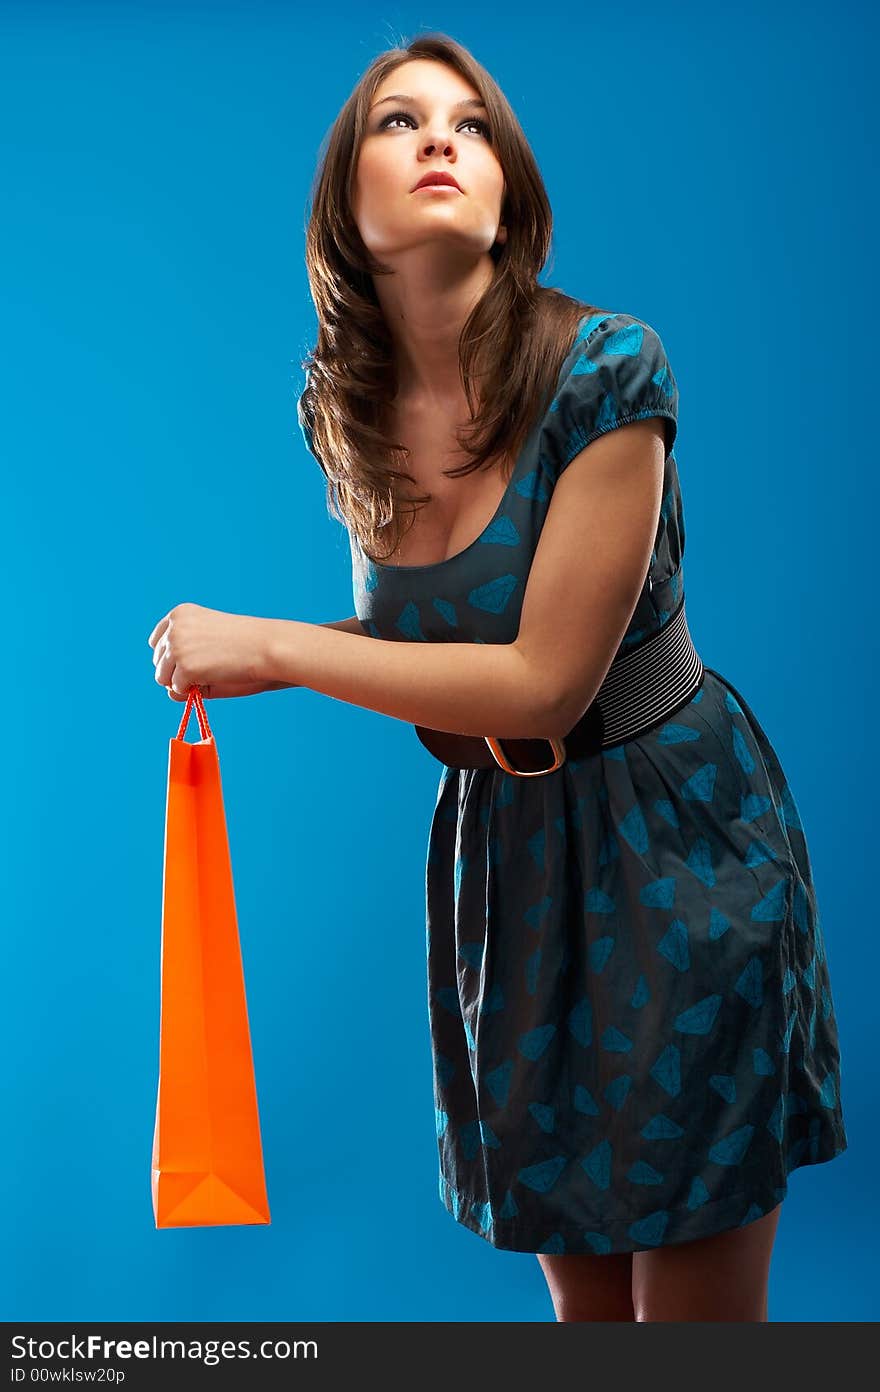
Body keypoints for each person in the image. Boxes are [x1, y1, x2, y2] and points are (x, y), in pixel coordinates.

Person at [147, 32, 848, 1322]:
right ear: (343, 206)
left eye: (468, 126)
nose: (438, 142)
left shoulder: (608, 371)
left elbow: (540, 686)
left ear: (509, 186)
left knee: (692, 1326)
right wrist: (242, 654)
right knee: (585, 1321)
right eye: (398, 122)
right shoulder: (343, 409)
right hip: (507, 866)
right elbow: (435, 646)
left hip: (673, 848)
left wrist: (276, 650)